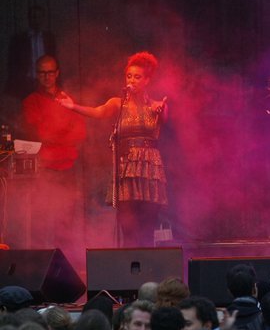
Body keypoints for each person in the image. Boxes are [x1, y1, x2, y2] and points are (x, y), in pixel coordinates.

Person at [58, 51, 169, 246]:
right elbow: (98, 112)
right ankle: (129, 263)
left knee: (147, 229)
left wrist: (160, 110)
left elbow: (164, 117)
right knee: (128, 229)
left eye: (137, 77)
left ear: (147, 80)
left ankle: (148, 262)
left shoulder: (156, 105)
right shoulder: (118, 103)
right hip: (126, 169)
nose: (132, 80)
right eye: (129, 76)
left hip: (149, 170)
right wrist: (73, 106)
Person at [20, 54, 87, 248]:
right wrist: (64, 131)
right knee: (41, 220)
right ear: (37, 74)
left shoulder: (68, 99)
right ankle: (39, 262)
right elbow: (39, 133)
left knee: (65, 220)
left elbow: (80, 133)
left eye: (50, 72)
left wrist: (55, 132)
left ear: (57, 73)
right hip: (44, 169)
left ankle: (62, 260)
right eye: (42, 72)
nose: (46, 76)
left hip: (67, 167)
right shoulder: (31, 101)